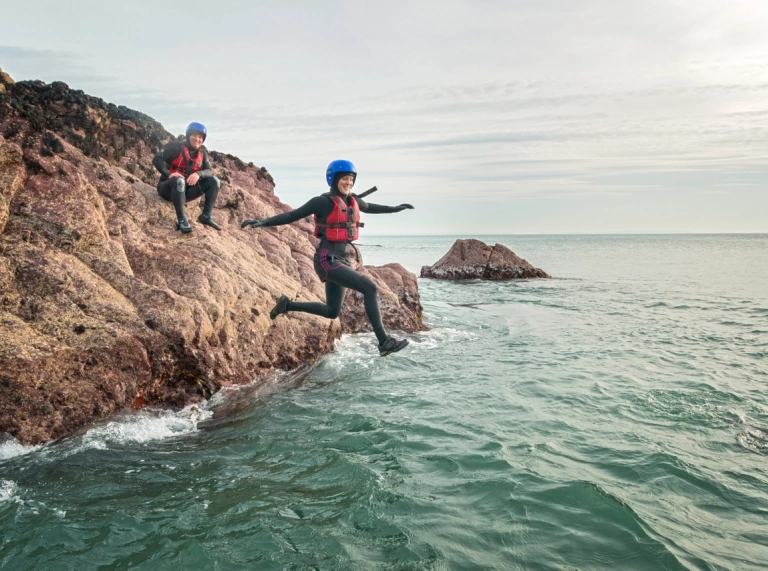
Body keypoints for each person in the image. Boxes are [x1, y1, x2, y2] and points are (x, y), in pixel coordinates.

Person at [241, 159, 414, 356]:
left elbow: (372, 207)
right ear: (333, 179)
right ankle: (384, 341)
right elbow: (291, 216)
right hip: (326, 259)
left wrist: (397, 208)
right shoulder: (322, 202)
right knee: (370, 288)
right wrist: (262, 222)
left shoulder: (354, 201)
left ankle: (286, 305)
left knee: (332, 311)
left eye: (351, 179)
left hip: (343, 259)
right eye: (344, 178)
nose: (348, 182)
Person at [152, 122, 221, 233]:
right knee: (179, 181)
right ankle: (182, 220)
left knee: (215, 181)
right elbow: (157, 159)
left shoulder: (202, 153)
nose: (197, 139)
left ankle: (206, 216)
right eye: (194, 135)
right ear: (188, 136)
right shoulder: (175, 147)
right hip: (168, 188)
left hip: (185, 193)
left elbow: (209, 171)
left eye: (200, 137)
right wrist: (169, 174)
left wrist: (198, 174)